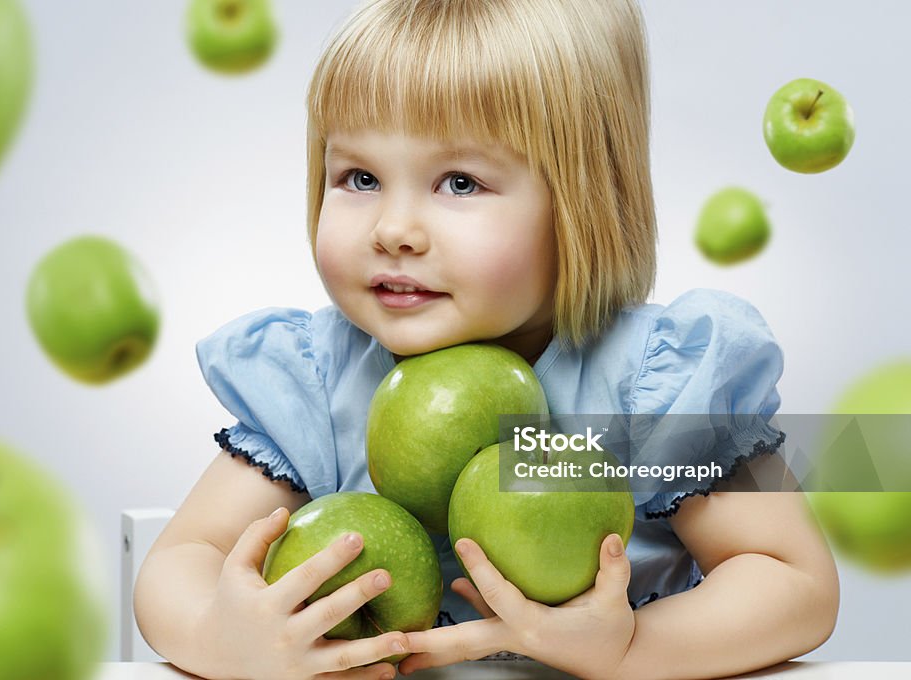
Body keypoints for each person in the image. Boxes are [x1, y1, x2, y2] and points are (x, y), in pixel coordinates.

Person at [133, 1, 839, 678]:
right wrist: (222, 638)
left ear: (583, 203)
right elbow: (179, 560)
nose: (393, 229)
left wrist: (630, 651)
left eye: (460, 183)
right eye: (360, 177)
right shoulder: (317, 380)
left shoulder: (656, 380)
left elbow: (793, 582)